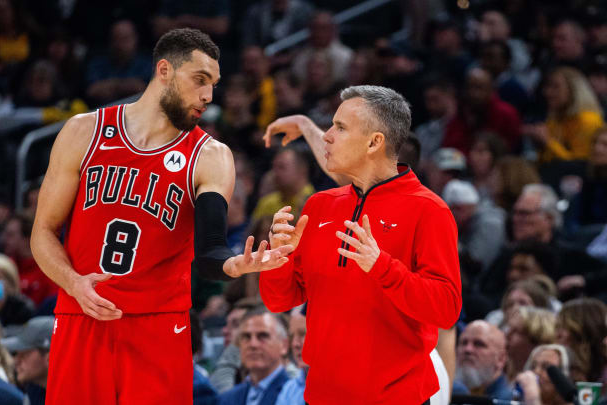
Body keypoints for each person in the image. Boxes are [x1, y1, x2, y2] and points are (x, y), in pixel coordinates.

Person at [31, 28, 293, 405]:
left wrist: (235, 265)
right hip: (82, 313)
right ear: (165, 70)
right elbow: (42, 233)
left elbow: (210, 252)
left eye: (214, 85)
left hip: (158, 325)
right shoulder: (83, 132)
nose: (208, 95)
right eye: (200, 80)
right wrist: (72, 283)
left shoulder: (211, 156)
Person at [260, 85, 462, 403]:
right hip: (322, 395)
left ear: (374, 142)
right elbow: (280, 301)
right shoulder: (318, 206)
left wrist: (383, 268)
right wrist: (276, 262)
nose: (327, 136)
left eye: (339, 127)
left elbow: (446, 310)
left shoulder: (429, 210)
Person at [218, 309, 290, 405]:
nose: (253, 344)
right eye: (246, 337)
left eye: (263, 336)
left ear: (284, 345)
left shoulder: (295, 396)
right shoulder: (227, 399)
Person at [453, 320, 512, 401]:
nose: (468, 349)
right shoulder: (449, 390)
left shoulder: (511, 399)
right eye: (463, 342)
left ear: (500, 359)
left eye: (479, 344)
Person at [2, 316, 55, 405]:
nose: (16, 361)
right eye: (16, 354)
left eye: (24, 355)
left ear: (49, 358)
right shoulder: (34, 390)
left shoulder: (73, 396)